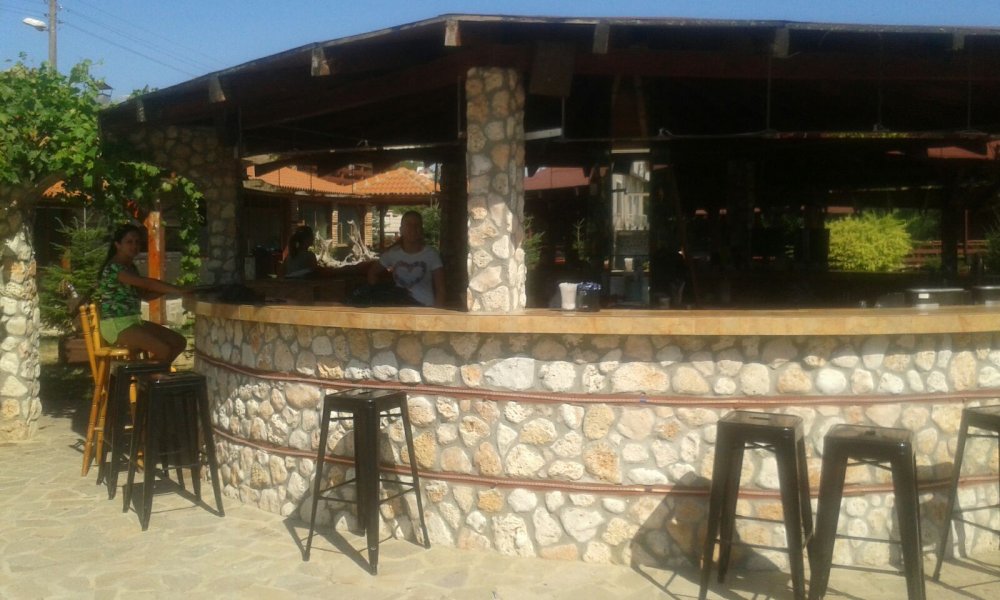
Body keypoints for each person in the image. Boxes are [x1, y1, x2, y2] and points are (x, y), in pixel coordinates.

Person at [96, 223, 188, 363]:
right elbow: (146, 283)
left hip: (133, 321)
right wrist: (178, 290)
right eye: (129, 242)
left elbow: (145, 295)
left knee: (179, 342)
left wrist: (168, 290)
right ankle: (147, 375)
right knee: (164, 350)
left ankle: (146, 374)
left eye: (137, 242)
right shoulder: (114, 268)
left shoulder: (130, 267)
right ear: (118, 245)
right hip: (116, 325)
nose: (134, 246)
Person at [367, 210, 445, 307]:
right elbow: (372, 273)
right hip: (399, 308)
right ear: (401, 230)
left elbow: (441, 289)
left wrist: (436, 312)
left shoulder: (432, 254)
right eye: (408, 225)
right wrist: (379, 296)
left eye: (417, 225)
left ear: (422, 230)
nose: (413, 228)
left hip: (425, 309)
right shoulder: (393, 253)